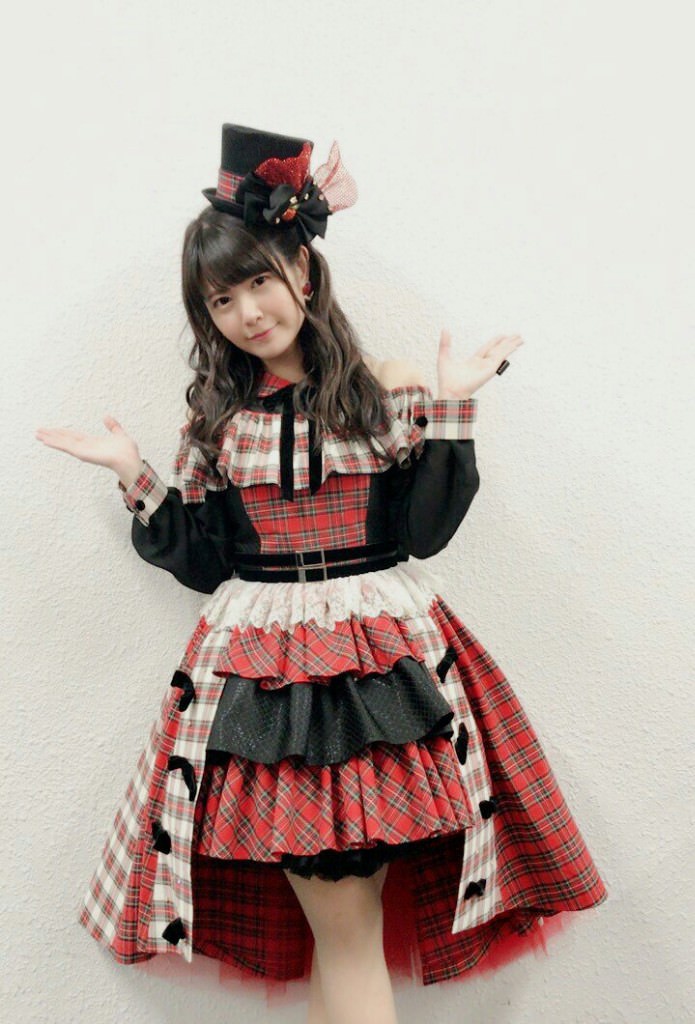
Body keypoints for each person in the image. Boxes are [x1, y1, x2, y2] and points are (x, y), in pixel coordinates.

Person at [35, 124, 607, 1024]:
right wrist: (134, 475)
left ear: (302, 271)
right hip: (267, 679)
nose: (247, 312)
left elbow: (423, 532)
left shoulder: (384, 392)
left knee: (346, 927)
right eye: (222, 299)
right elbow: (206, 562)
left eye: (259, 281)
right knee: (343, 926)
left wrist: (451, 408)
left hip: (383, 670)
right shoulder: (217, 422)